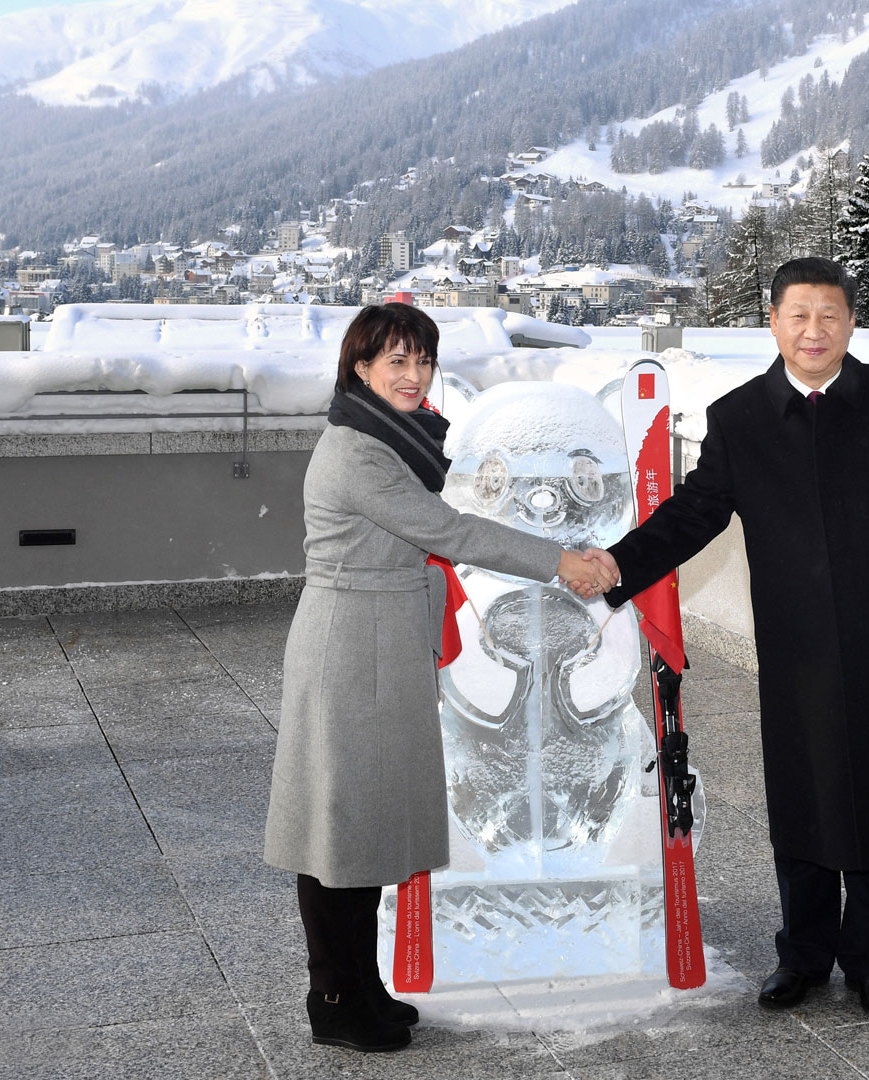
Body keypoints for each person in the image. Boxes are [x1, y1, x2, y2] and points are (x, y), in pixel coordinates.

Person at [592, 257, 869, 1019]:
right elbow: (695, 512)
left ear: (851, 323)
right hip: (797, 645)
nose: (813, 330)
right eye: (798, 315)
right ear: (772, 322)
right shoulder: (741, 418)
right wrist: (616, 566)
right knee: (804, 801)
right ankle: (802, 956)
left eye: (829, 315)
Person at [262, 302, 615, 1054]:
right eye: (397, 360)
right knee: (339, 826)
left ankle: (362, 984)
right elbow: (449, 530)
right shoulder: (358, 452)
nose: (414, 376)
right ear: (361, 368)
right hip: (351, 645)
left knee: (365, 822)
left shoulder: (388, 440)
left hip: (380, 637)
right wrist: (561, 561)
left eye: (423, 361)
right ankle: (333, 997)